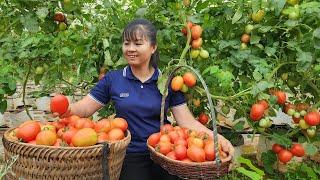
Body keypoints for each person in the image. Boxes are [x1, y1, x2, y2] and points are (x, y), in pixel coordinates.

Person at [54, 18, 234, 180]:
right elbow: (85, 108)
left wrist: (217, 138)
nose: (130, 49)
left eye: (138, 43)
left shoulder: (168, 81)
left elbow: (186, 121)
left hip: (165, 153)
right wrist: (66, 110)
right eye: (126, 43)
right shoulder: (114, 79)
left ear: (153, 47)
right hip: (128, 155)